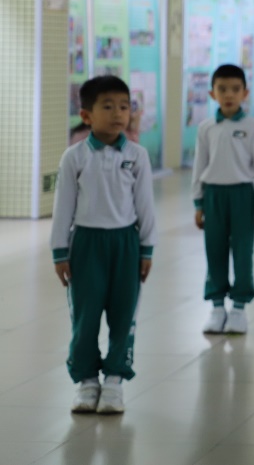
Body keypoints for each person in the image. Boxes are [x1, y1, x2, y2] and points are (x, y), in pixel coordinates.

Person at [52, 76, 156, 415]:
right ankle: (87, 381)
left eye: (124, 107)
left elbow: (146, 206)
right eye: (107, 107)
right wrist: (60, 251)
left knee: (124, 314)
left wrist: (146, 248)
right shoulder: (74, 157)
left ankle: (113, 380)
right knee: (86, 315)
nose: (118, 114)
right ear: (86, 116)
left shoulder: (137, 155)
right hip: (85, 244)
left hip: (125, 243)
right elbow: (63, 207)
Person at [192, 64, 254, 336]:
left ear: (245, 93)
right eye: (222, 89)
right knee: (214, 250)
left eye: (235, 89)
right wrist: (198, 202)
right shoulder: (206, 128)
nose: (228, 94)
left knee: (242, 252)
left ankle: (239, 308)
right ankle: (217, 307)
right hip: (214, 197)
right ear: (211, 93)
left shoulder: (251, 126)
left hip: (242, 195)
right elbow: (199, 165)